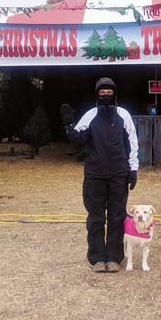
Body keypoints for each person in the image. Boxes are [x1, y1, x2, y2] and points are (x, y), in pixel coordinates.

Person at [61, 77, 138, 273]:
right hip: (95, 174)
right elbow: (78, 139)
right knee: (95, 218)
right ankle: (97, 258)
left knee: (116, 216)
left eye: (109, 92)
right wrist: (69, 125)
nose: (105, 95)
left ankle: (113, 257)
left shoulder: (124, 115)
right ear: (97, 94)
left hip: (118, 174)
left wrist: (133, 169)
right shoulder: (90, 115)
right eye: (102, 92)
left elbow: (132, 144)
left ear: (114, 93)